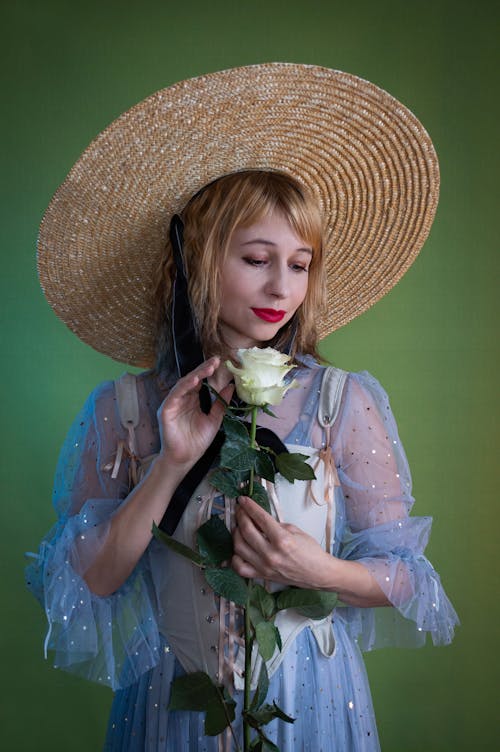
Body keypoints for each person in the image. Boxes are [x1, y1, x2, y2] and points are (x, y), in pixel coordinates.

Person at [26, 64, 459, 751]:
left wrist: (311, 571)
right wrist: (170, 465)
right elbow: (94, 580)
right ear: (198, 260)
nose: (281, 285)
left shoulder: (340, 404)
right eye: (257, 257)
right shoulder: (128, 411)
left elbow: (404, 576)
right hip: (174, 706)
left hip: (313, 703)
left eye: (300, 262)